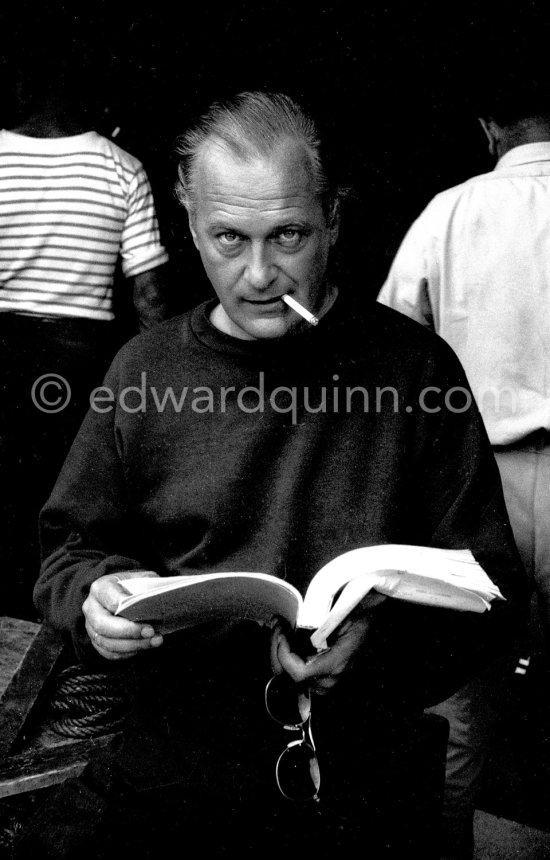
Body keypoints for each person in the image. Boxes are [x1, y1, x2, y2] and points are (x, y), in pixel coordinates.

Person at [16, 91, 526, 859]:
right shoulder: (145, 369)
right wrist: (97, 600)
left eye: (287, 234)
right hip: (176, 758)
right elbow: (68, 549)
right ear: (189, 226)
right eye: (228, 238)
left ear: (332, 223)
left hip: (362, 766)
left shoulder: (413, 370)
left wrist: (377, 648)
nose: (258, 273)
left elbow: (495, 590)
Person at [377, 79, 549, 857]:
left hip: (477, 484)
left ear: (489, 126)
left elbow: (388, 355)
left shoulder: (450, 212)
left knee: (460, 701)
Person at [0, 41, 170, 620]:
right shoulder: (122, 167)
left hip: (2, 352)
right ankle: (49, 622)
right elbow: (148, 295)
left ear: (23, 82)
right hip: (75, 367)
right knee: (60, 503)